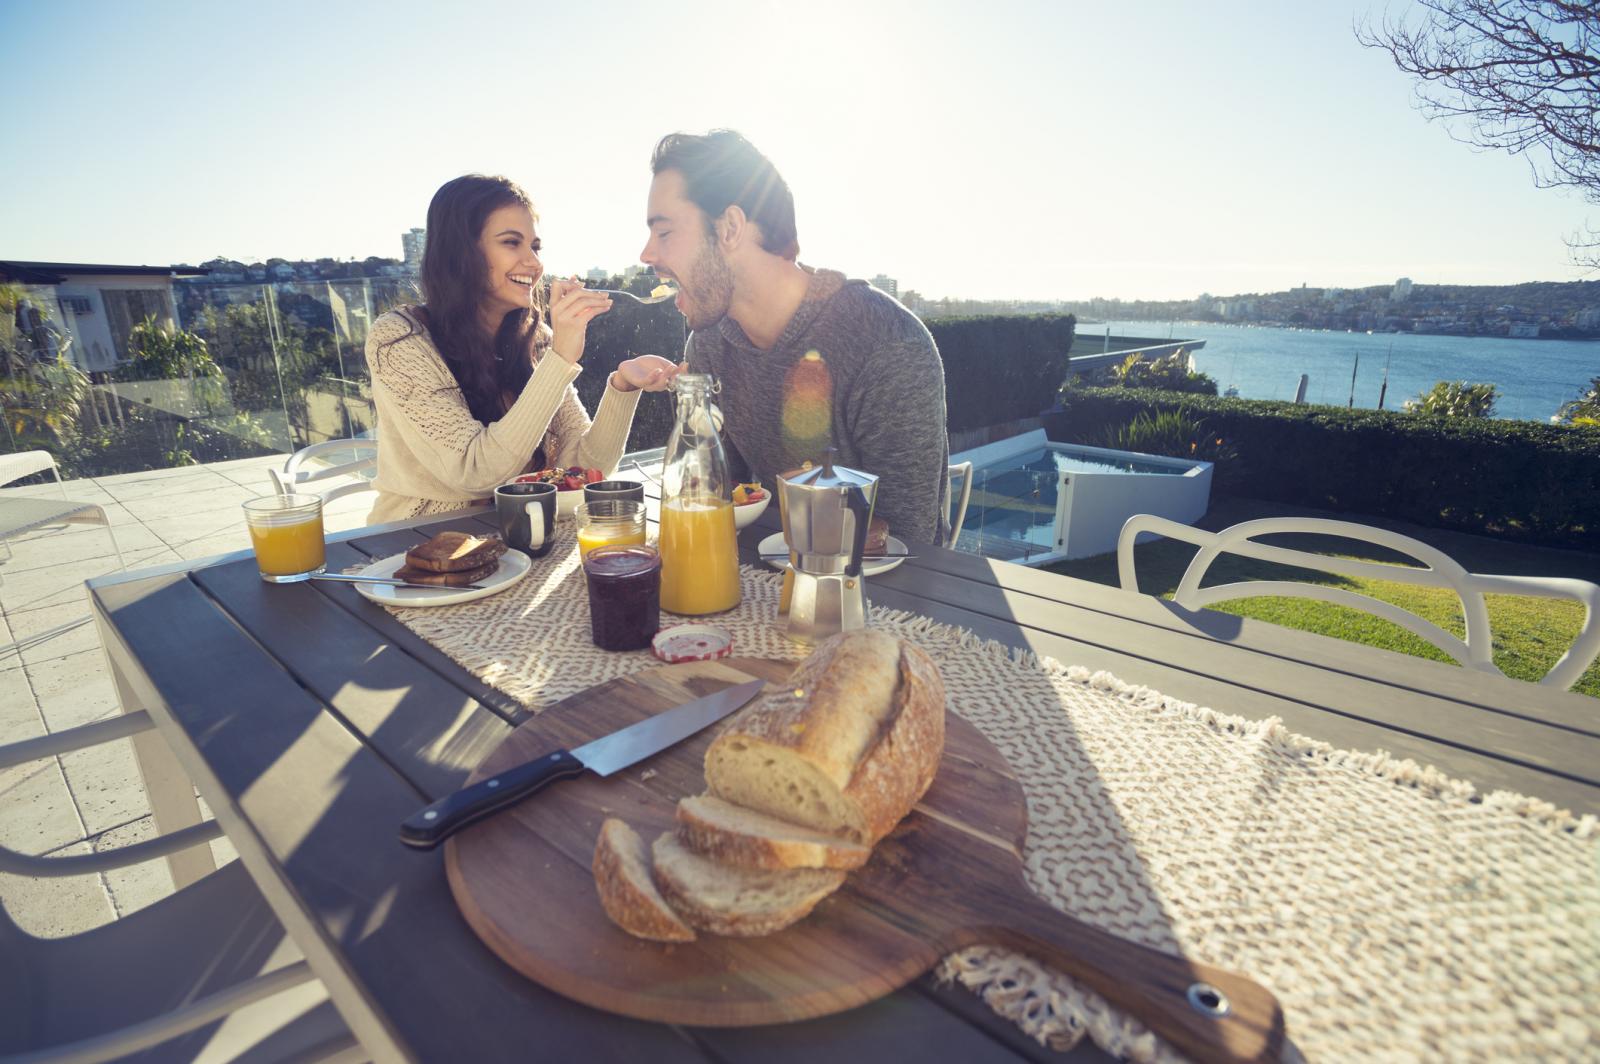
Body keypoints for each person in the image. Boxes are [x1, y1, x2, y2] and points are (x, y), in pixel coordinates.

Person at [639, 130, 950, 545]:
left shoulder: (887, 345)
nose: (647, 255)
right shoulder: (710, 344)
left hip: (875, 592)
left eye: (664, 233)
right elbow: (720, 500)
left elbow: (908, 543)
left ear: (730, 227)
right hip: (770, 572)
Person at [366, 174, 677, 524]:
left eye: (535, 246)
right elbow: (475, 472)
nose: (534, 262)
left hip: (521, 536)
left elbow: (584, 470)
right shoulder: (401, 339)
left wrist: (623, 386)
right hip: (416, 541)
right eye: (512, 243)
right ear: (460, 253)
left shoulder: (536, 339)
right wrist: (560, 360)